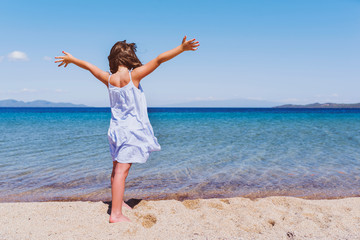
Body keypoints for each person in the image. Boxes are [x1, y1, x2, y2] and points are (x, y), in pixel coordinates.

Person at [54, 36, 200, 223]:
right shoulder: (134, 76)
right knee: (122, 171)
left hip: (116, 130)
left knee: (116, 169)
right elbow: (159, 59)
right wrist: (181, 48)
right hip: (131, 132)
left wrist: (72, 60)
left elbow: (90, 67)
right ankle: (115, 214)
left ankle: (118, 201)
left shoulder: (109, 79)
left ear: (113, 59)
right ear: (130, 57)